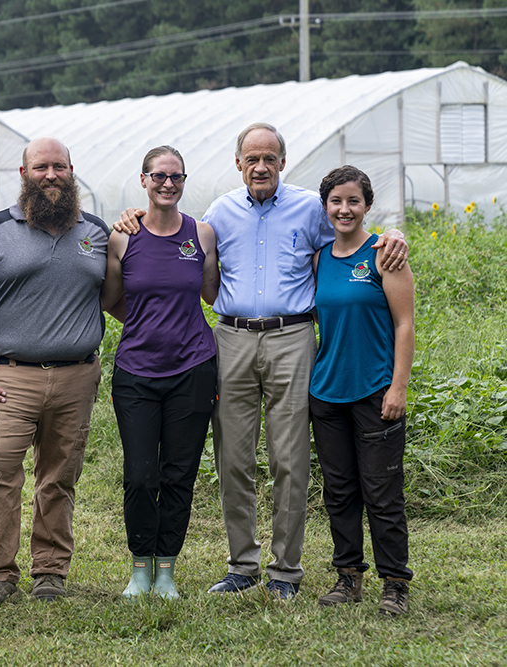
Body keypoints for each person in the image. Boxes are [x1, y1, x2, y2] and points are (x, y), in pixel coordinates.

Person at [116, 122, 408, 600]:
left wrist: (391, 233)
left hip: (292, 337)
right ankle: (242, 564)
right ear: (238, 164)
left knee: (289, 457)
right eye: (251, 158)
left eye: (269, 158)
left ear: (282, 162)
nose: (260, 166)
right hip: (230, 338)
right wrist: (130, 217)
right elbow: (173, 236)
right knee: (233, 457)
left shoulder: (309, 208)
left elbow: (348, 233)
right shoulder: (217, 215)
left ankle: (285, 571)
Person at [0, 136, 109, 608]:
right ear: (23, 174)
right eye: (41, 167)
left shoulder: (96, 233)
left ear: (72, 171)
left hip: (77, 375)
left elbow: (118, 293)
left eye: (59, 167)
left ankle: (51, 572)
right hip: (8, 378)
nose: (51, 175)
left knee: (59, 477)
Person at [99, 146, 219, 600]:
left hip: (193, 369)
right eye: (159, 176)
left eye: (176, 176)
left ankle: (165, 569)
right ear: (144, 180)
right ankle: (139, 568)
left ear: (184, 181)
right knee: (140, 475)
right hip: (137, 373)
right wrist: (150, 324)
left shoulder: (202, 235)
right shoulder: (122, 238)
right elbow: (111, 300)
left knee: (178, 473)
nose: (168, 183)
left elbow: (210, 295)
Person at [310, 166, 414, 616]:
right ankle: (348, 576)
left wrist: (398, 387)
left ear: (367, 206)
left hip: (375, 391)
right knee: (340, 490)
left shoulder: (384, 254)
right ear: (326, 207)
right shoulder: (318, 259)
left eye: (353, 201)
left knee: (382, 492)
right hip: (327, 393)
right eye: (336, 201)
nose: (344, 209)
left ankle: (395, 584)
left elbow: (405, 324)